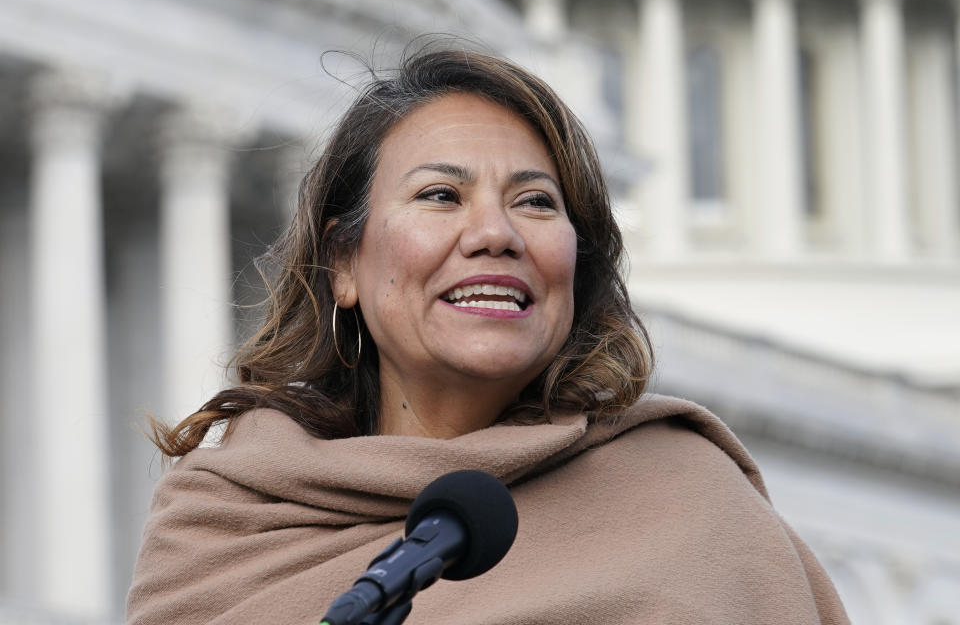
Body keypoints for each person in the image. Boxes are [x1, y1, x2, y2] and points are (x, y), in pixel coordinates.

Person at [126, 45, 849, 624]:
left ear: (578, 264)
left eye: (535, 202)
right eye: (441, 195)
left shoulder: (693, 513)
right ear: (342, 261)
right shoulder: (224, 528)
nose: (495, 234)